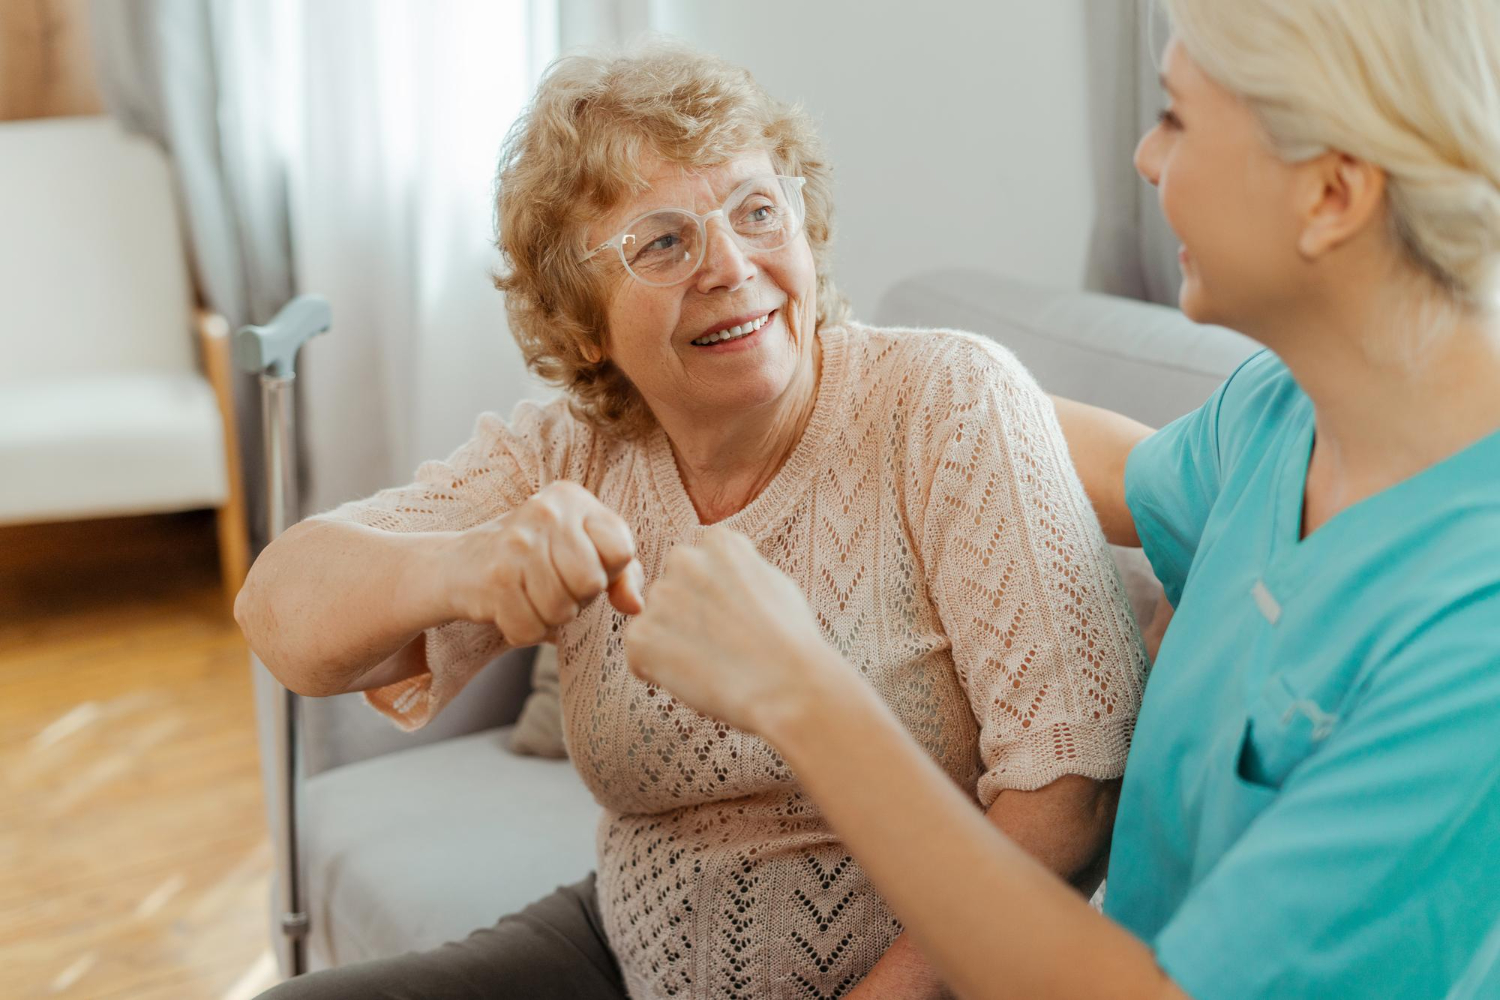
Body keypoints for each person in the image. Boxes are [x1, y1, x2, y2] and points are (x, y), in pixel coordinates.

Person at [624, 2, 1500, 997]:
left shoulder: (1476, 634)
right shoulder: (1284, 411)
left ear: (1333, 192)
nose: (1143, 156)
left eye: (1174, 117)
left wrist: (799, 690)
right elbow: (1090, 464)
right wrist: (829, 392)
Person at [238, 44, 1147, 999]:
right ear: (582, 322)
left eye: (757, 211)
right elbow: (279, 613)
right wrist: (464, 566)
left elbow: (1075, 793)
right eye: (663, 242)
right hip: (633, 950)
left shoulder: (948, 399)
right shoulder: (568, 452)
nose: (730, 265)